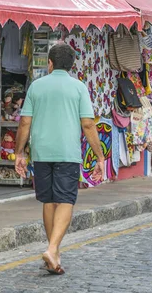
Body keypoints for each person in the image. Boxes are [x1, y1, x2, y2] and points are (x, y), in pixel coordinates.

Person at [14, 42, 105, 275]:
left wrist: (19, 152)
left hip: (42, 152)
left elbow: (25, 122)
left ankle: (54, 251)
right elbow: (88, 123)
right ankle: (53, 248)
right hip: (67, 152)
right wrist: (99, 156)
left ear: (50, 63)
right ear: (72, 65)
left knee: (48, 200)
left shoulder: (36, 86)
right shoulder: (78, 87)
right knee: (65, 200)